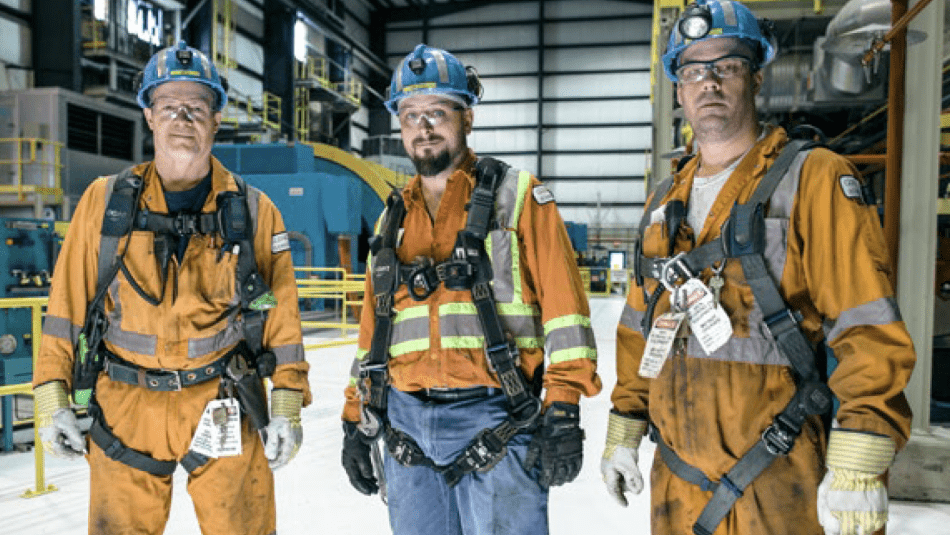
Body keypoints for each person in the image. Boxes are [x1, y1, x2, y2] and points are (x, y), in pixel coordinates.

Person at [599, 2, 916, 535]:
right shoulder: (662, 202)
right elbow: (638, 329)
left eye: (727, 66)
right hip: (675, 482)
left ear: (756, 78)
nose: (710, 83)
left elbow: (867, 322)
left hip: (776, 474)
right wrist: (625, 430)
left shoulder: (810, 179)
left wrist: (861, 454)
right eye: (694, 71)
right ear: (679, 91)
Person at [32, 41, 310, 535]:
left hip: (222, 398)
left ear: (216, 117)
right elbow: (66, 307)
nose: (183, 118)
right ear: (149, 114)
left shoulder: (254, 211)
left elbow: (279, 313)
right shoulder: (105, 203)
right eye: (169, 107)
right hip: (124, 406)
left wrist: (287, 398)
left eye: (196, 108)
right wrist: (51, 394)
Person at [340, 44, 601, 535]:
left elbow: (567, 315)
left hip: (498, 416)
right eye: (411, 115)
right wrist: (354, 416)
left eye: (437, 112)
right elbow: (372, 336)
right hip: (405, 426)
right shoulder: (391, 217)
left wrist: (563, 405)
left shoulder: (519, 198)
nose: (424, 128)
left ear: (467, 118)